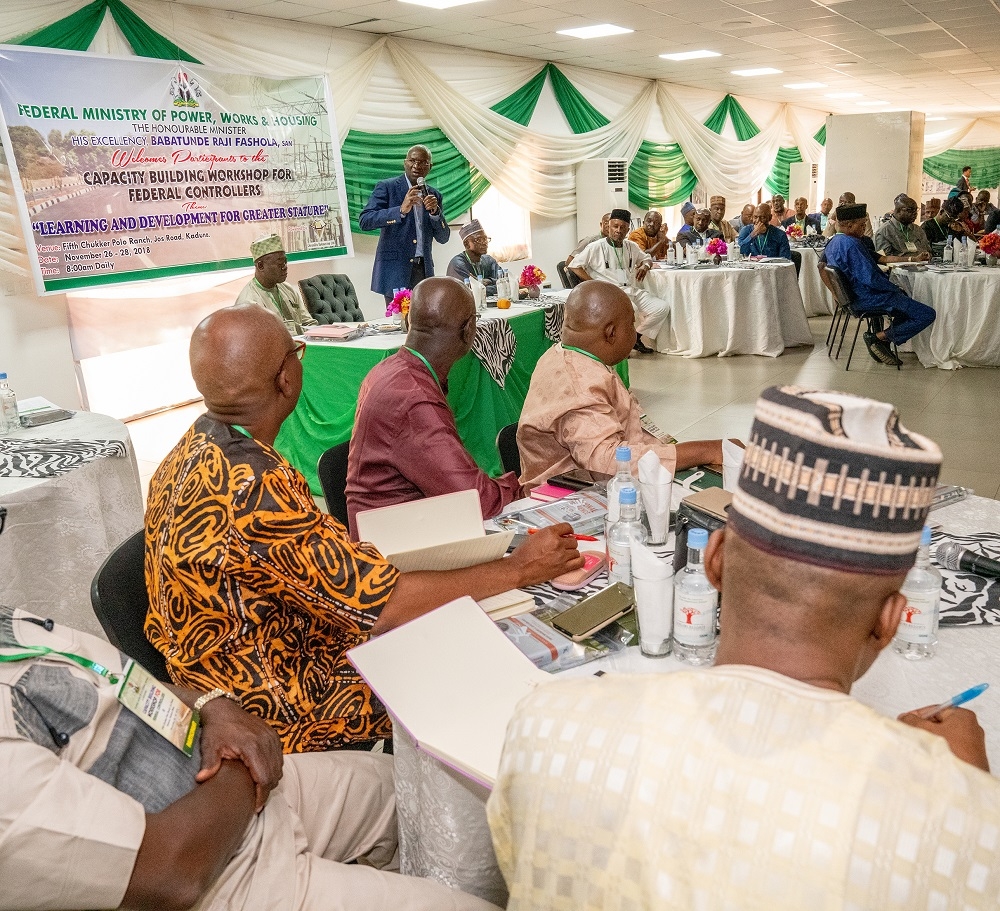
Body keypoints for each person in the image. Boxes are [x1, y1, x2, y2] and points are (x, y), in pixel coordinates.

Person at [490, 385, 1000, 911]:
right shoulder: (963, 828)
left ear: (713, 562)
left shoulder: (546, 725)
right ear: (891, 622)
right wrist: (961, 792)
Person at [145, 306, 582, 753]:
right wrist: (519, 569)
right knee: (502, 669)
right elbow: (385, 606)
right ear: (286, 379)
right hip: (277, 704)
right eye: (297, 354)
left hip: (222, 677)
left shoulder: (187, 452)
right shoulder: (255, 488)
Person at [1, 606, 499, 911]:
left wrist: (214, 706)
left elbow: (121, 682)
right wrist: (241, 755)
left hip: (232, 789)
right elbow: (172, 874)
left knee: (436, 794)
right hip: (219, 876)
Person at [346, 278, 522, 538]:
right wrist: (525, 484)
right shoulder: (413, 398)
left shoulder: (389, 369)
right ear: (469, 330)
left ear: (408, 321)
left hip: (406, 521)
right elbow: (476, 502)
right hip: (397, 545)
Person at [516, 282, 728, 489]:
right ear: (611, 333)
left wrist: (682, 453)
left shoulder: (567, 355)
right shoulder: (580, 385)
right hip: (572, 496)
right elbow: (607, 462)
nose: (635, 332)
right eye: (632, 324)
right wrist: (707, 450)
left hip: (603, 482)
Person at [824, 202, 935, 366]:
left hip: (852, 298)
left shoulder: (834, 242)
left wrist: (912, 259)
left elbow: (880, 259)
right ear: (849, 225)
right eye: (861, 225)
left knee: (905, 305)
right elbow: (870, 278)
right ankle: (877, 337)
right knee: (926, 314)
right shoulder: (852, 245)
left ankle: (882, 342)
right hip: (867, 298)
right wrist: (894, 288)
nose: (864, 229)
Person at [568, 207, 670, 354]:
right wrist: (593, 283)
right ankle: (621, 346)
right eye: (615, 226)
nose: (618, 230)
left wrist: (645, 266)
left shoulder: (631, 246)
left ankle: (634, 338)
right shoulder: (595, 246)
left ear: (628, 229)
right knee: (631, 309)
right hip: (609, 293)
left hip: (630, 289)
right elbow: (574, 266)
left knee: (661, 308)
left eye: (622, 227)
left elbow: (646, 258)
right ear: (609, 227)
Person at [358, 145, 450, 304]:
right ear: (405, 163)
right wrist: (400, 210)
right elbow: (365, 221)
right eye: (412, 161)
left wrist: (435, 213)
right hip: (395, 271)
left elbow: (443, 237)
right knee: (399, 324)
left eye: (422, 162)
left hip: (424, 270)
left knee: (424, 324)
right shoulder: (387, 187)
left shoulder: (434, 195)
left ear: (430, 166)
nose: (416, 166)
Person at [235, 234, 317, 335]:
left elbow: (309, 324)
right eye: (280, 264)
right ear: (261, 266)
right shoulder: (248, 303)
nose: (285, 267)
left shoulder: (287, 289)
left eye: (285, 262)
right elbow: (255, 342)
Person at [446, 219, 501, 294]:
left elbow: (505, 282)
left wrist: (489, 281)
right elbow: (470, 291)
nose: (484, 243)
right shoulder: (457, 263)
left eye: (485, 239)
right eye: (478, 240)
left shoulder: (488, 260)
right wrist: (496, 284)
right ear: (467, 244)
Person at [874, 193, 931, 260]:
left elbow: (928, 250)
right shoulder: (884, 232)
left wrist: (928, 255)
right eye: (910, 210)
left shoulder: (918, 230)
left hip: (925, 267)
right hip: (900, 268)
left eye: (916, 210)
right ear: (898, 211)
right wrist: (912, 259)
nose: (915, 213)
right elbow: (885, 260)